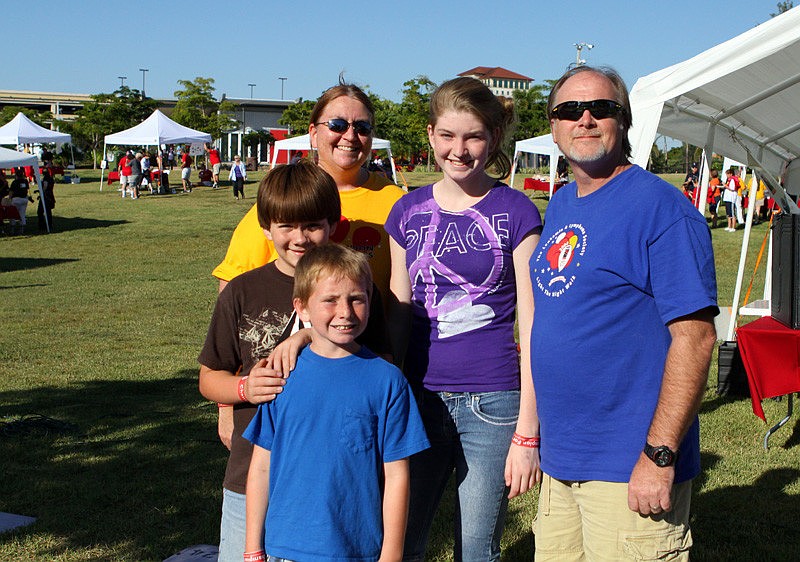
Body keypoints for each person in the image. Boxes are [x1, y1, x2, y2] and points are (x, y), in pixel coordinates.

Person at [529, 65, 718, 561]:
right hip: (561, 463)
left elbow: (696, 339)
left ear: (624, 120)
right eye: (569, 110)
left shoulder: (662, 209)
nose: (585, 119)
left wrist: (658, 457)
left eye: (602, 109)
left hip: (628, 465)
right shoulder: (563, 202)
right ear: (553, 125)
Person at [198, 161, 391, 562]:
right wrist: (242, 389)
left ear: (334, 224)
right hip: (250, 472)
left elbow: (379, 365)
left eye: (312, 225)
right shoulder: (241, 291)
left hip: (331, 479)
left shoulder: (354, 291)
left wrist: (306, 335)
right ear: (266, 228)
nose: (299, 238)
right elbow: (209, 376)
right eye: (286, 226)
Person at [385, 77, 542, 562]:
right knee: (402, 541)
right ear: (431, 134)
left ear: (493, 139)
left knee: (476, 549)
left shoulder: (517, 211)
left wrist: (527, 431)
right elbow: (397, 311)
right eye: (448, 136)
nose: (460, 149)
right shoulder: (406, 211)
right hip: (418, 400)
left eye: (473, 136)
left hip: (493, 402)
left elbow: (533, 326)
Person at [242, 243, 429, 562]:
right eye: (330, 300)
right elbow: (261, 466)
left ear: (370, 301)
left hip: (356, 550)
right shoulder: (282, 375)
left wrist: (392, 554)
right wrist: (252, 547)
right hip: (285, 549)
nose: (345, 312)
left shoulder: (388, 382)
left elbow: (397, 475)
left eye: (357, 298)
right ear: (301, 308)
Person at [211, 81, 405, 301]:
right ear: (313, 133)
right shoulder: (287, 196)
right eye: (337, 125)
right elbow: (232, 284)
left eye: (362, 128)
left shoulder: (397, 202)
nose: (350, 136)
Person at [9, 168, 32, 233]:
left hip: (16, 200)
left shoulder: (14, 182)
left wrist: (9, 199)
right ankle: (22, 229)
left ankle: (12, 229)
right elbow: (27, 190)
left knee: (13, 214)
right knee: (22, 214)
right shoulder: (25, 181)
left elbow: (11, 192)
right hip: (24, 199)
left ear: (16, 175)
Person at [37, 166, 56, 232]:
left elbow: (45, 186)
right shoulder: (51, 178)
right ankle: (49, 224)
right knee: (48, 212)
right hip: (50, 195)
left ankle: (43, 225)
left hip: (45, 196)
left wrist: (41, 194)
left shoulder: (46, 178)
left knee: (40, 211)